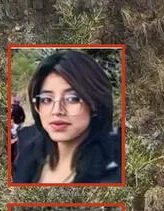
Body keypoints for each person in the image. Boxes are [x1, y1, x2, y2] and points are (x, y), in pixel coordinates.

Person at [12, 50, 121, 184]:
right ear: (37, 107)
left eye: (73, 99)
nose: (57, 111)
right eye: (46, 99)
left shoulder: (116, 171)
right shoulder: (25, 148)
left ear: (95, 104)